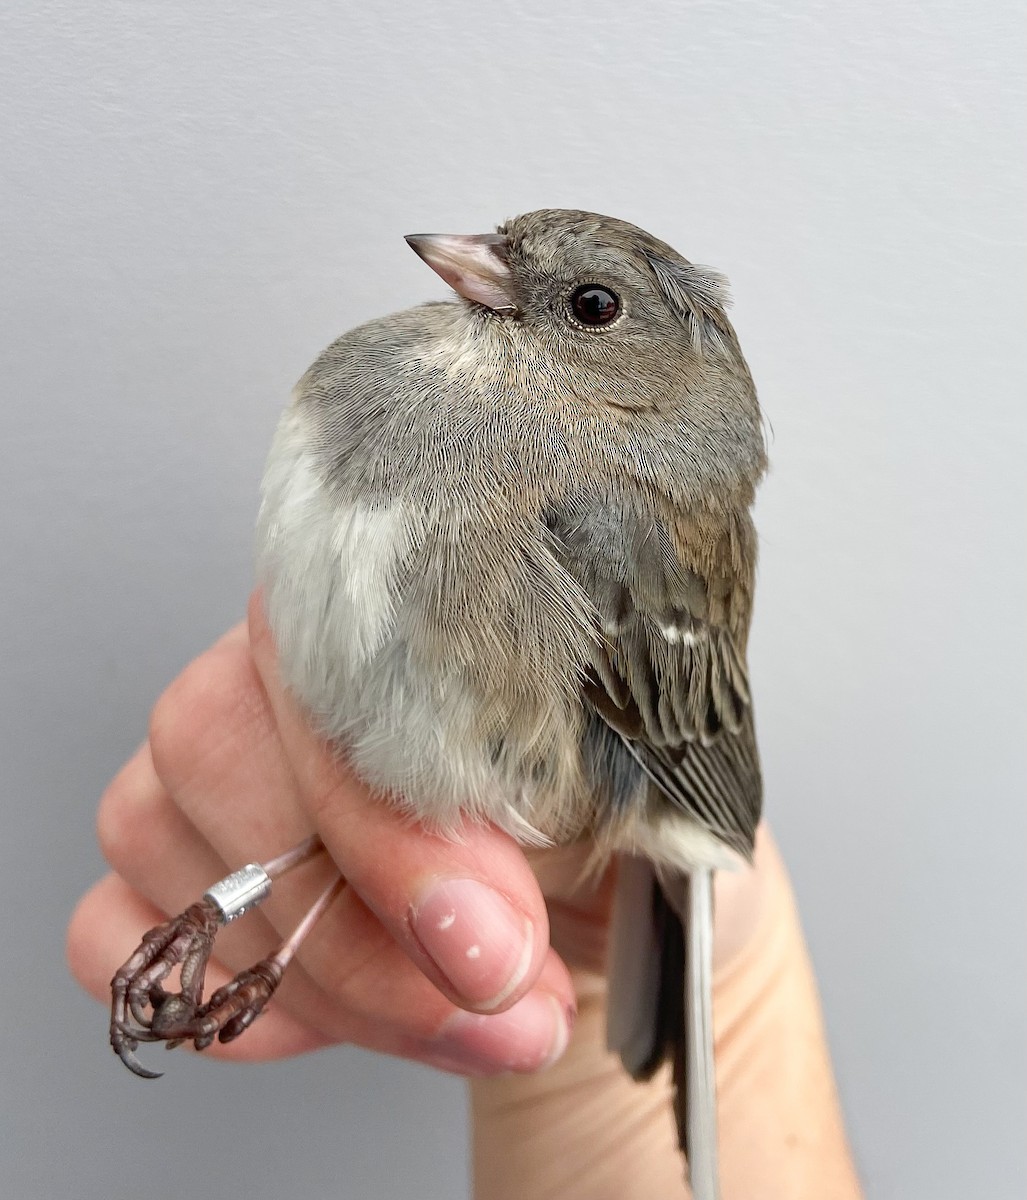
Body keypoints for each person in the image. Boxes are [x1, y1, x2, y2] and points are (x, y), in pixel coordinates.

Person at [67, 596, 864, 1199]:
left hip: (621, 817)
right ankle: (242, 917)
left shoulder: (612, 498)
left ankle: (261, 934)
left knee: (407, 805)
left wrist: (735, 1006)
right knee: (382, 792)